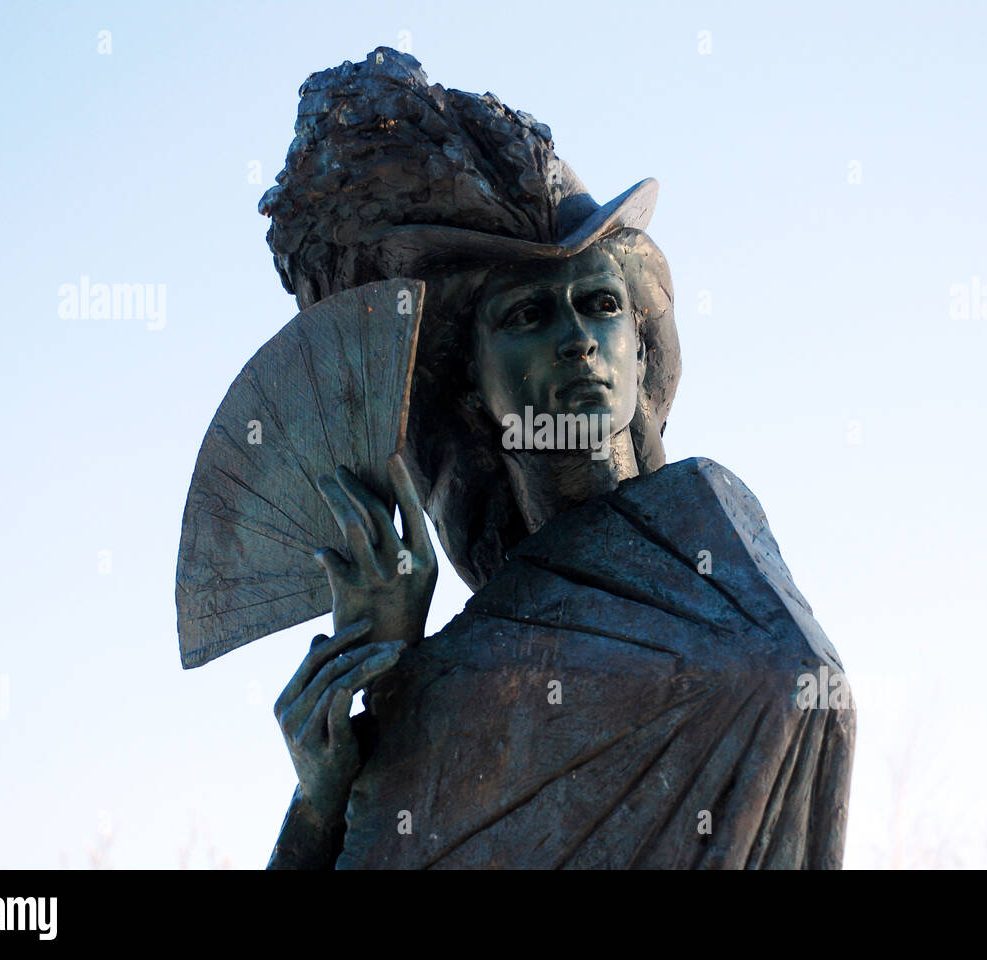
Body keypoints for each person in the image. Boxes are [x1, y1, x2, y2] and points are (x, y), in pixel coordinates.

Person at [260, 48, 854, 869]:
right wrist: (334, 784)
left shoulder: (709, 516)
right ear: (469, 383)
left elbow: (796, 683)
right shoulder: (457, 667)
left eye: (601, 304)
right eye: (530, 313)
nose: (576, 339)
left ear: (640, 349)